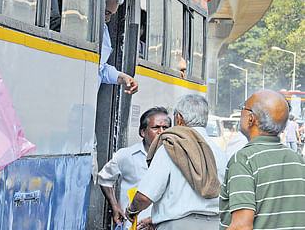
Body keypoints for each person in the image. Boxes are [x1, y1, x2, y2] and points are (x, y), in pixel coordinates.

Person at [125, 95, 227, 230]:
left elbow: (145, 196)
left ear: (179, 118)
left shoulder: (170, 147)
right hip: (215, 225)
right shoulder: (219, 152)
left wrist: (132, 210)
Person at [220, 90, 305, 230]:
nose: (242, 112)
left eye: (243, 109)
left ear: (251, 119)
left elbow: (241, 226)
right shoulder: (299, 161)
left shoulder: (244, 161)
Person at [98, 107, 171, 229]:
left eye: (165, 128)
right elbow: (105, 179)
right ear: (143, 132)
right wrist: (115, 206)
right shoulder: (126, 155)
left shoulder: (174, 159)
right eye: (155, 128)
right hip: (133, 226)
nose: (161, 132)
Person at [99, 0, 138, 94]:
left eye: (111, 14)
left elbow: (100, 68)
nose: (108, 19)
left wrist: (122, 77)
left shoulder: (104, 30)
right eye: (107, 12)